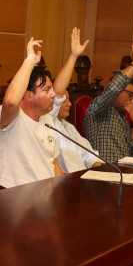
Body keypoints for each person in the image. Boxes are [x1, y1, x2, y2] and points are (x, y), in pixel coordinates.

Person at [0, 38, 63, 188]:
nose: (53, 94)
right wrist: (29, 61)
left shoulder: (47, 119)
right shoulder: (12, 118)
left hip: (44, 198)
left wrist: (61, 193)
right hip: (11, 198)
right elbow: (11, 101)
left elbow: (54, 164)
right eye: (47, 90)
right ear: (27, 95)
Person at [47, 28, 104, 173]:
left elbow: (89, 154)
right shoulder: (48, 123)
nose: (70, 104)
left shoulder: (69, 128)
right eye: (64, 100)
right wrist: (73, 55)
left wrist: (101, 171)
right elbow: (58, 91)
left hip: (86, 179)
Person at [83, 44, 133, 163]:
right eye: (130, 95)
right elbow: (113, 89)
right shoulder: (99, 108)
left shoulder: (122, 117)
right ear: (119, 92)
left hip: (123, 172)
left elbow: (132, 151)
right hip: (102, 172)